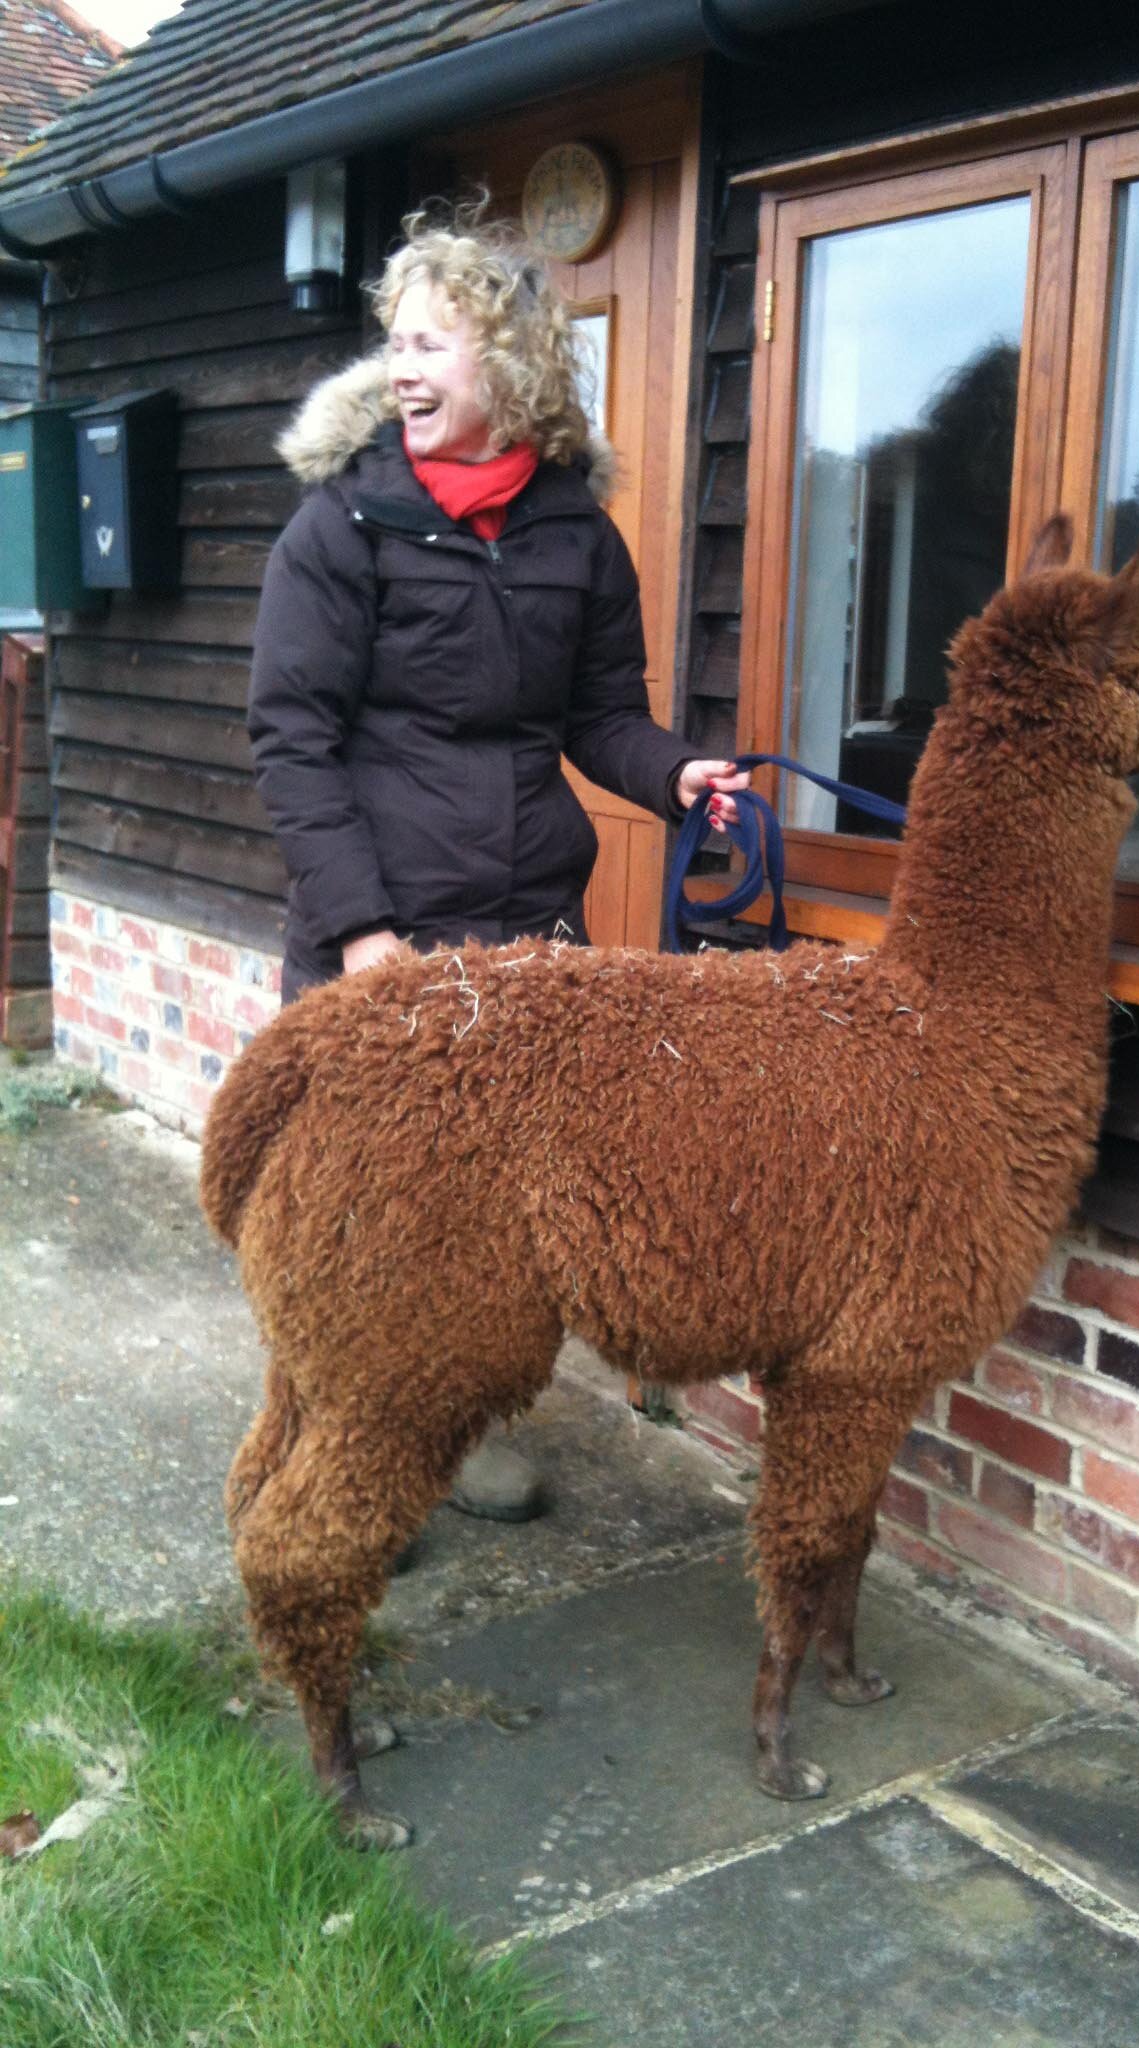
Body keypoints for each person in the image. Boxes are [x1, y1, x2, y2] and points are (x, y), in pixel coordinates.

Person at [247, 205, 747, 1521]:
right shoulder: (342, 528)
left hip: (528, 926)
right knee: (356, 1222)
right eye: (396, 344)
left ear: (512, 370)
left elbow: (600, 717)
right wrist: (358, 929)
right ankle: (326, 1483)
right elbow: (291, 740)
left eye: (435, 345)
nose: (404, 370)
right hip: (384, 928)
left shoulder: (575, 535)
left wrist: (674, 772)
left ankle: (442, 1444)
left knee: (480, 1225)